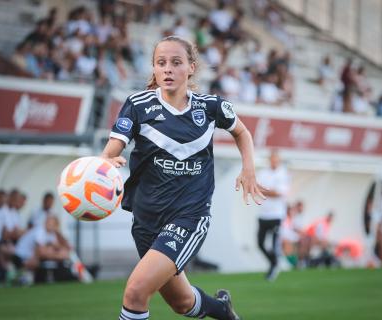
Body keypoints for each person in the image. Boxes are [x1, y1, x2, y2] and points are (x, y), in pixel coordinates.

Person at [101, 35, 265, 320]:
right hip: (145, 220)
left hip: (188, 217)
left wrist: (248, 167)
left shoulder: (210, 107)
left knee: (136, 292)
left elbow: (241, 132)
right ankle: (222, 310)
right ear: (153, 68)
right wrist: (106, 163)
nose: (168, 69)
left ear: (191, 67)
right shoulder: (137, 105)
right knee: (183, 302)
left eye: (176, 63)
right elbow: (110, 151)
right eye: (161, 63)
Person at [256, 149, 290, 281]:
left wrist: (265, 191)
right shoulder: (263, 173)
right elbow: (257, 187)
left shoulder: (283, 173)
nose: (274, 161)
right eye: (272, 159)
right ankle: (274, 263)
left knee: (274, 244)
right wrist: (268, 191)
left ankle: (274, 268)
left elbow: (279, 193)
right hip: (263, 214)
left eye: (276, 159)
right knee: (260, 243)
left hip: (276, 215)